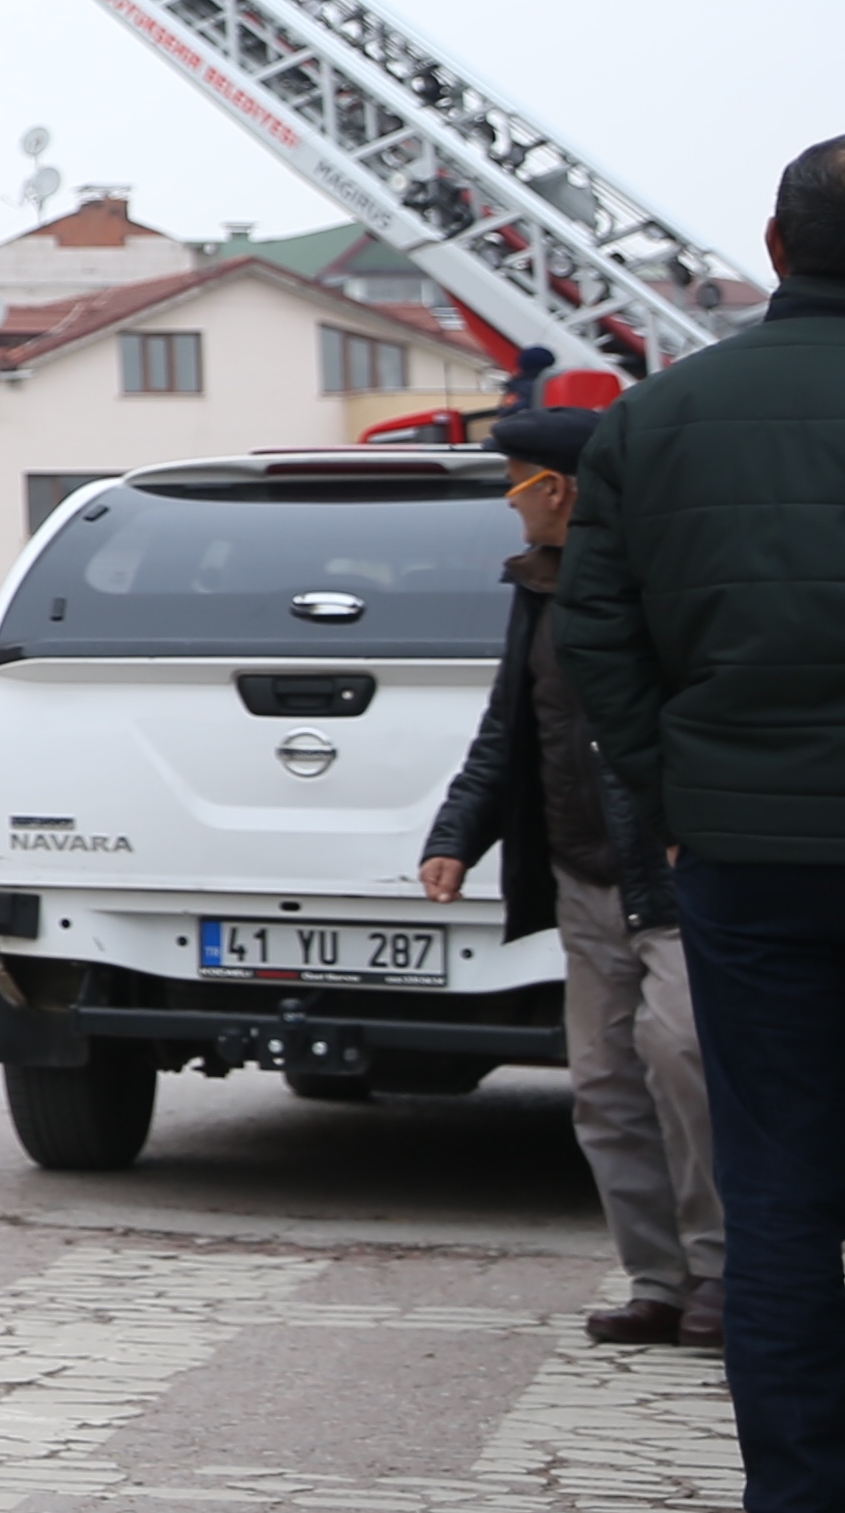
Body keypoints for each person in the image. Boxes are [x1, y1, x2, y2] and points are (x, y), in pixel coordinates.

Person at [566, 134, 845, 1494]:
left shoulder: (658, 418)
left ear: (776, 247)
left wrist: (674, 789)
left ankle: (796, 1485)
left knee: (781, 1183)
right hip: (744, 829)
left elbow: (599, 640)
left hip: (750, 852)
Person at [423, 406, 720, 1346]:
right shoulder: (534, 589)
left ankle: (723, 1275)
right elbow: (509, 728)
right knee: (602, 1084)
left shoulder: (662, 581)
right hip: (580, 871)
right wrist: (455, 835)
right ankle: (657, 1281)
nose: (508, 506)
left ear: (556, 490)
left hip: (667, 876)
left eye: (513, 484)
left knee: (687, 1067)